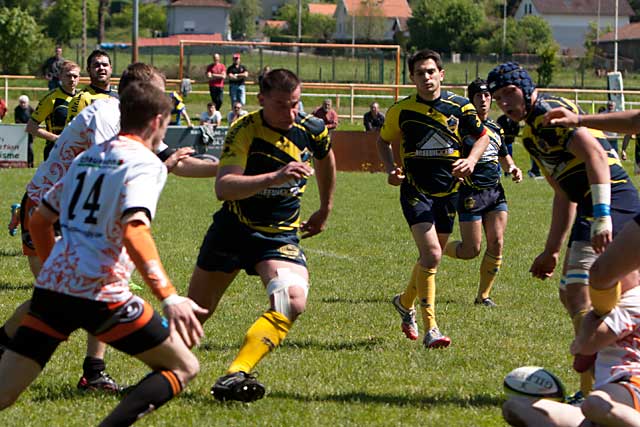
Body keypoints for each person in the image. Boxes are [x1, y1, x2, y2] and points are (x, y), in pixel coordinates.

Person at [0, 62, 218, 394]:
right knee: (68, 291)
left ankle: (92, 371)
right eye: (159, 93)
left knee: (75, 290)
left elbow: (173, 163)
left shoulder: (137, 121)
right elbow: (114, 165)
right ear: (140, 93)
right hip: (53, 203)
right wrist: (169, 297)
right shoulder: (106, 114)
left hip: (72, 204)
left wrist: (229, 171)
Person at [487, 62, 640, 399]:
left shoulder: (547, 113)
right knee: (579, 293)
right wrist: (552, 249)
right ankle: (617, 375)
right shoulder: (530, 134)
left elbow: (597, 156)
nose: (505, 103)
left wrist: (602, 215)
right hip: (590, 203)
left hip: (611, 197)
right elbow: (563, 195)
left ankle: (597, 386)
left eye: (509, 93)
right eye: (498, 98)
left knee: (580, 291)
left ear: (525, 88)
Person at [187, 68, 336, 402]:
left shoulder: (310, 128)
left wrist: (325, 207)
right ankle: (157, 375)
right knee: (196, 314)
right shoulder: (245, 130)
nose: (291, 113)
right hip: (232, 231)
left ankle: (235, 373)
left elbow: (327, 159)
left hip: (278, 236)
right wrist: (275, 176)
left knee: (292, 300)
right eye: (282, 105)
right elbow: (224, 187)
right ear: (262, 100)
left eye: (296, 104)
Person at [377, 49, 490, 349]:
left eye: (431, 71)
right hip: (415, 191)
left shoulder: (462, 107)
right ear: (411, 78)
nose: (426, 77)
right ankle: (432, 329)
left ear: (441, 74)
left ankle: (404, 303)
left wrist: (472, 160)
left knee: (431, 257)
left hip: (447, 194)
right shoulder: (401, 110)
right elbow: (383, 140)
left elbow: (483, 137)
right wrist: (390, 169)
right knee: (432, 256)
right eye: (419, 73)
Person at [502, 277, 640, 427]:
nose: (605, 272)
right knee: (516, 407)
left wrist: (590, 318)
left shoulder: (634, 299)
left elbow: (588, 345)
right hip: (613, 402)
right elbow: (581, 364)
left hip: (632, 385)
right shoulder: (608, 305)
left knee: (594, 404)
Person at [443, 78, 523, 307]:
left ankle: (483, 296)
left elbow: (504, 156)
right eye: (478, 96)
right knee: (471, 250)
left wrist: (514, 168)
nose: (484, 100)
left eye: (487, 96)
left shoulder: (497, 128)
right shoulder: (460, 127)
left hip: (495, 192)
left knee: (497, 242)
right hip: (470, 193)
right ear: (471, 100)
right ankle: (438, 249)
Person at [27, 60, 80, 161]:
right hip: (55, 153)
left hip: (77, 152)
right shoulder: (51, 99)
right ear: (60, 76)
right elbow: (30, 127)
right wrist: (55, 138)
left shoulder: (82, 97)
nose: (72, 79)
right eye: (68, 76)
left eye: (75, 76)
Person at [65, 49, 117, 126]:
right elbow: (73, 134)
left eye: (105, 65)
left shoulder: (119, 95)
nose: (101, 68)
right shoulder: (81, 99)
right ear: (88, 70)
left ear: (111, 69)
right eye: (96, 65)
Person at [14, 95, 35, 168]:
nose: (23, 104)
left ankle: (31, 163)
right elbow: (16, 120)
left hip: (30, 131)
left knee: (29, 148)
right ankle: (21, 163)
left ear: (27, 103)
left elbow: (35, 120)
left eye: (24, 103)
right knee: (21, 148)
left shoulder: (31, 109)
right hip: (20, 131)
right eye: (21, 102)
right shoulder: (17, 109)